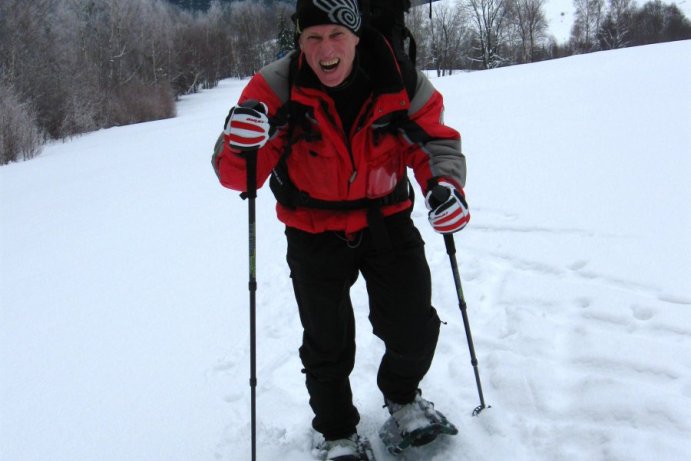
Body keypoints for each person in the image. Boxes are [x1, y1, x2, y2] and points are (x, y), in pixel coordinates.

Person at [212, 0, 469, 459]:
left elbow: (434, 141)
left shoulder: (397, 76)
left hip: (386, 220)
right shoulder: (275, 86)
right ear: (299, 41)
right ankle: (335, 433)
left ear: (356, 36)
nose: (324, 49)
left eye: (335, 36)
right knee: (326, 342)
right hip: (313, 229)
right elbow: (238, 176)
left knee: (413, 325)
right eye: (312, 37)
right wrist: (241, 142)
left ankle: (403, 397)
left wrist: (444, 188)